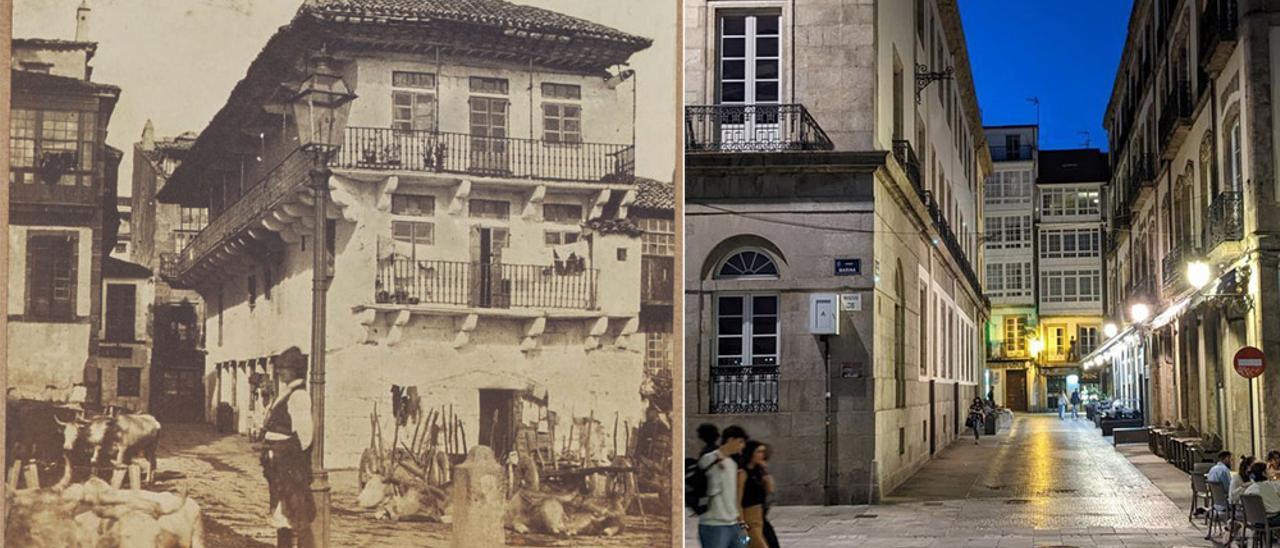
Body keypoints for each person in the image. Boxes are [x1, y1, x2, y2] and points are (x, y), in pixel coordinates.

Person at [260, 347, 316, 548]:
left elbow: (305, 437)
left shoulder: (299, 396)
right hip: (278, 463)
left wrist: (289, 459)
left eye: (285, 368)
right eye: (280, 367)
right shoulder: (286, 393)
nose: (280, 371)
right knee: (281, 513)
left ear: (296, 370)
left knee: (296, 514)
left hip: (289, 464)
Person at [698, 425, 749, 548]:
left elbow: (734, 497)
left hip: (734, 525)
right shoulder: (709, 459)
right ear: (730, 440)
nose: (742, 446)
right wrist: (716, 460)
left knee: (745, 543)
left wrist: (742, 523)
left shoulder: (732, 464)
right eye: (740, 442)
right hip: (714, 525)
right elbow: (704, 484)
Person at [737, 441, 775, 548]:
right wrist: (742, 524)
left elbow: (770, 490)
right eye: (759, 452)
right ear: (751, 453)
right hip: (748, 517)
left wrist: (765, 471)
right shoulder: (742, 473)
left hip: (760, 516)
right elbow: (737, 500)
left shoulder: (758, 472)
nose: (762, 455)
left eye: (763, 452)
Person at [1243, 462, 1280, 527]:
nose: (1269, 472)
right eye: (1267, 470)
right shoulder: (1273, 486)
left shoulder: (1249, 489)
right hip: (1272, 520)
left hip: (1255, 521)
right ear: (1264, 473)